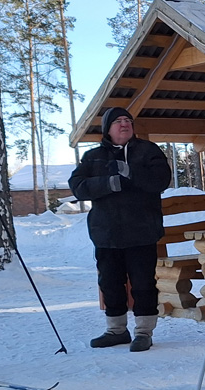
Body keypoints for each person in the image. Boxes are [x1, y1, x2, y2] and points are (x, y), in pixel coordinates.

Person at [69, 107, 172, 352]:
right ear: (107, 128)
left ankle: (144, 332)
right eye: (118, 121)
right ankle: (116, 330)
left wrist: (132, 173)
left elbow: (161, 180)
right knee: (110, 284)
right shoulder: (93, 156)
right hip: (106, 233)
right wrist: (109, 183)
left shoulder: (148, 151)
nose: (124, 124)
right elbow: (78, 186)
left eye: (128, 120)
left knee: (143, 284)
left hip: (142, 231)